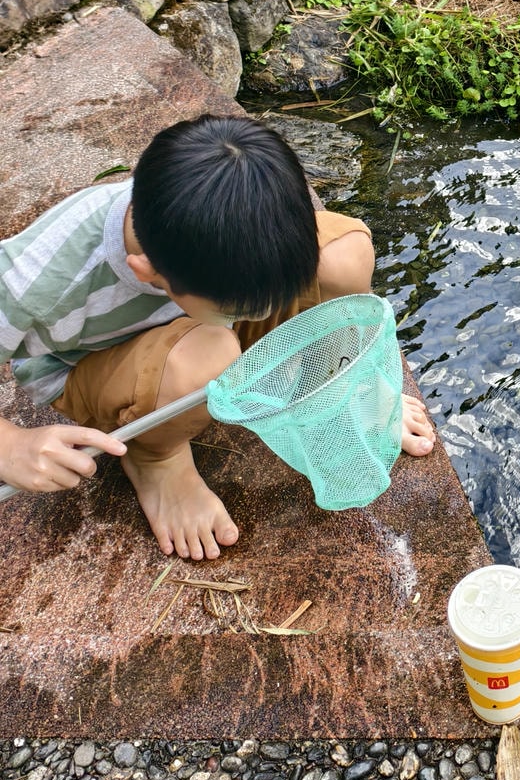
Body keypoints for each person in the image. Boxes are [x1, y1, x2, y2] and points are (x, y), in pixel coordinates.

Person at [0, 114, 435, 559]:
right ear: (147, 273)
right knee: (210, 353)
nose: (268, 316)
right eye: (247, 311)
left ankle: (338, 389)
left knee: (343, 255)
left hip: (209, 302)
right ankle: (157, 459)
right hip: (103, 363)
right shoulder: (41, 278)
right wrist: (12, 445)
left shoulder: (241, 200)